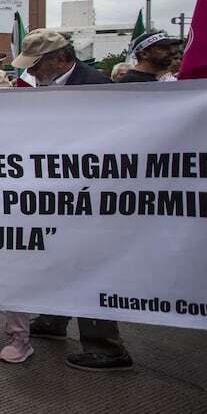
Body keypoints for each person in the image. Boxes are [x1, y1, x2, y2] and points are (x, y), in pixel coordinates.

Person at [12, 30, 131, 372]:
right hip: (55, 192)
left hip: (91, 195)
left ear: (60, 59)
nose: (30, 73)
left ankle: (105, 345)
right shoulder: (45, 86)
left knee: (90, 265)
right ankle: (54, 318)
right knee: (56, 257)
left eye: (35, 66)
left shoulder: (98, 87)